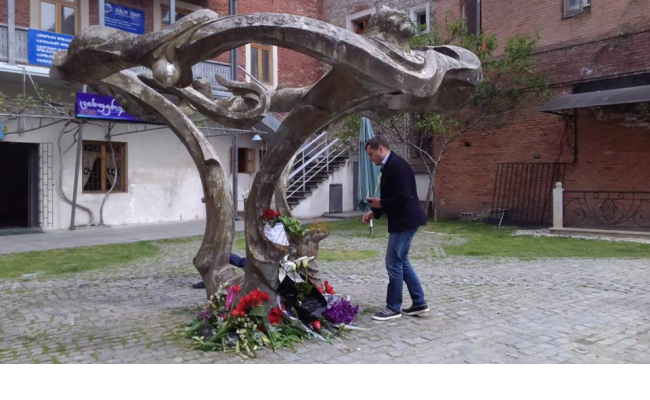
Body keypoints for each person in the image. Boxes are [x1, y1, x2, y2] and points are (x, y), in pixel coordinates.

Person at [363, 137, 429, 321]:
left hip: (405, 221)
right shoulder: (391, 165)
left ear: (381, 149)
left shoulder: (397, 165)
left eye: (371, 154)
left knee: (393, 262)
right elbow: (391, 196)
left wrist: (381, 203)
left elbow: (403, 196)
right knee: (402, 261)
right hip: (404, 220)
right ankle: (419, 303)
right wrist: (374, 211)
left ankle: (393, 307)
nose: (370, 158)